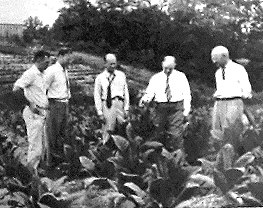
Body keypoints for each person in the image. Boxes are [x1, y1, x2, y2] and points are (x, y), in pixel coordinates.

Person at [139, 56, 191, 151]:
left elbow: (187, 94)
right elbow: (149, 93)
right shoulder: (156, 78)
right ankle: (156, 160)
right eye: (166, 68)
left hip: (176, 108)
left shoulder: (181, 76)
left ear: (174, 66)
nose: (167, 71)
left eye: (170, 69)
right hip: (160, 108)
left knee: (175, 135)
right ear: (162, 65)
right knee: (157, 134)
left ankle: (178, 160)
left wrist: (186, 111)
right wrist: (145, 100)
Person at [13, 50, 50, 172]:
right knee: (35, 146)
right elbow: (16, 88)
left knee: (43, 145)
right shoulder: (31, 73)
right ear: (38, 61)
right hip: (34, 113)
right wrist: (29, 104)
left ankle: (37, 171)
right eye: (46, 62)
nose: (47, 64)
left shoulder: (42, 74)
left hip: (42, 112)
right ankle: (30, 174)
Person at [210, 45, 252, 154]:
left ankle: (233, 155)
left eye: (215, 58)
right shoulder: (218, 72)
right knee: (217, 129)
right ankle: (220, 156)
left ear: (224, 56)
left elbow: (246, 88)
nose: (213, 61)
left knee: (231, 129)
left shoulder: (238, 69)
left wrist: (243, 99)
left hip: (234, 102)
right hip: (219, 103)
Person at [94, 53, 130, 144]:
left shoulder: (121, 75)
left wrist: (126, 108)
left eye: (115, 63)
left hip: (119, 103)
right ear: (105, 64)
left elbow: (125, 92)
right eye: (111, 64)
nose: (113, 66)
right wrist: (100, 112)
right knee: (108, 129)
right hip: (107, 104)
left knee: (122, 127)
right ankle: (105, 149)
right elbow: (97, 95)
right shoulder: (100, 78)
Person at [44, 48, 71, 166]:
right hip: (55, 104)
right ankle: (50, 162)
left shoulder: (64, 70)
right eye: (68, 58)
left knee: (62, 132)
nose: (69, 61)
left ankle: (59, 159)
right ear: (60, 56)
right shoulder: (52, 70)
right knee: (53, 133)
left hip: (64, 103)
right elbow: (43, 88)